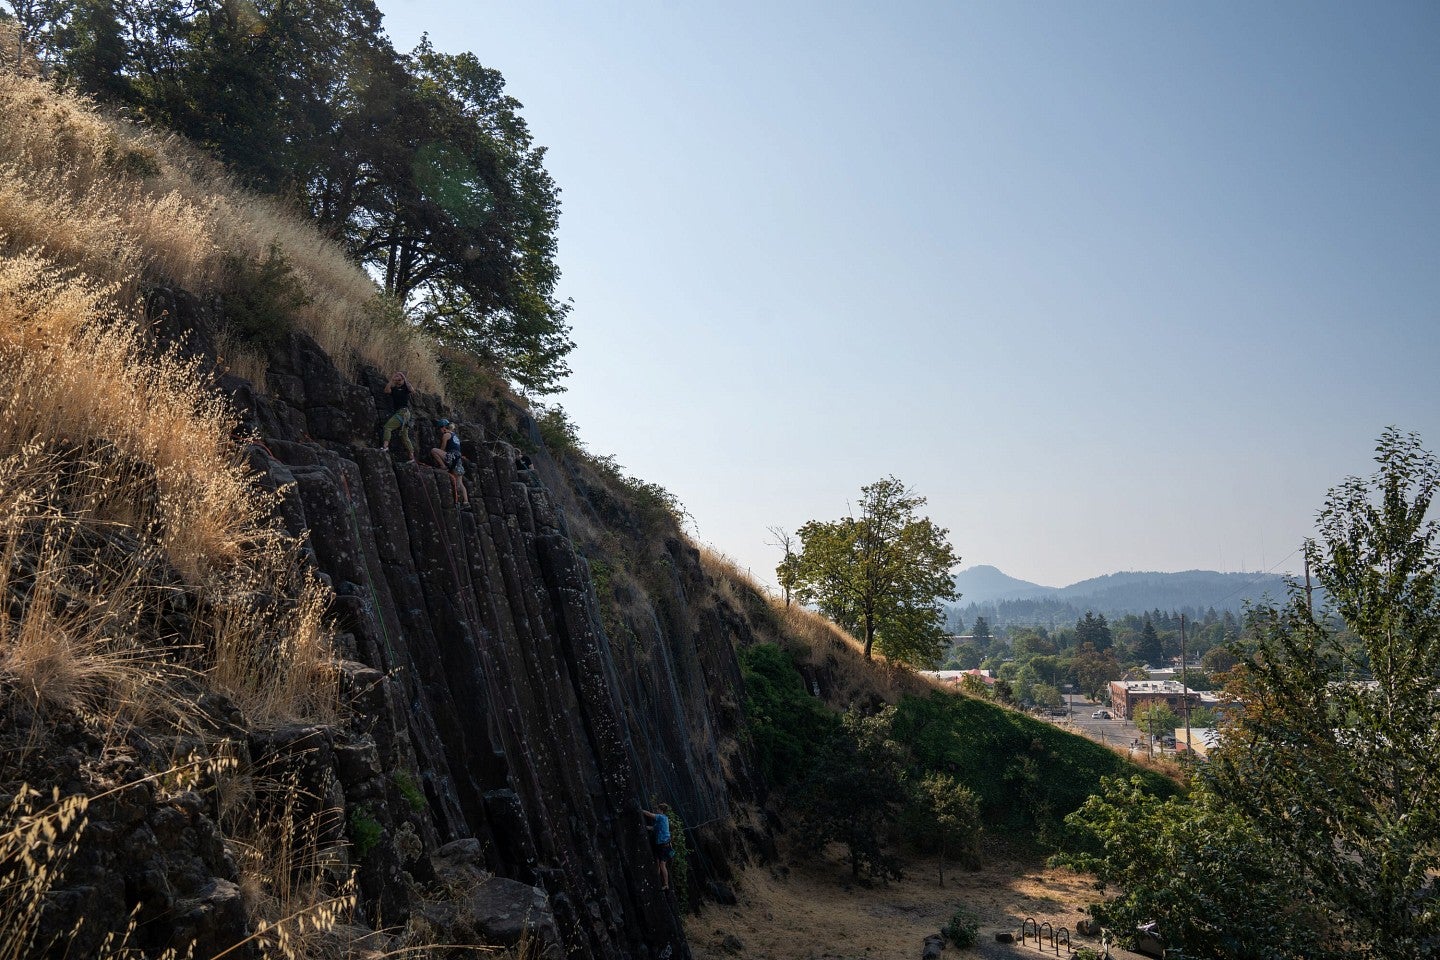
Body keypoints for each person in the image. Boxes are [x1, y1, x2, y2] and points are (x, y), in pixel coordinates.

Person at [430, 419, 469, 507]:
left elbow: (442, 449)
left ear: (443, 428)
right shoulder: (455, 436)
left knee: (434, 450)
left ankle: (443, 466)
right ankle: (466, 502)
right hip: (458, 460)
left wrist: (441, 460)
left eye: (440, 428)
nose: (440, 431)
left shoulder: (446, 435)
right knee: (460, 483)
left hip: (451, 457)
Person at [379, 371, 416, 461]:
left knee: (387, 427)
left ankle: (385, 446)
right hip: (402, 414)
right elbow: (386, 390)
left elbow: (412, 390)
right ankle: (412, 457)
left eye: (400, 377)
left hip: (403, 412)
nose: (398, 378)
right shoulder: (394, 389)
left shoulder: (405, 388)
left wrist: (404, 378)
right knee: (404, 436)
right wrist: (392, 380)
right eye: (397, 376)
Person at [641, 803, 674, 890]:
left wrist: (640, 810)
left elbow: (649, 814)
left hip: (664, 845)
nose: (656, 811)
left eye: (658, 809)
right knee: (658, 862)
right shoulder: (663, 820)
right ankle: (658, 880)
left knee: (662, 865)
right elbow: (653, 828)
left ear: (661, 811)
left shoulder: (661, 817)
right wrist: (645, 827)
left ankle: (666, 884)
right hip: (664, 845)